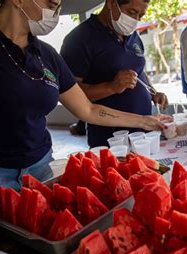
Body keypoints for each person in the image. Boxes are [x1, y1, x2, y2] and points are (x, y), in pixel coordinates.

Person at [0, 0, 171, 207]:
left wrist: (145, 121)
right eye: (50, 4)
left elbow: (87, 109)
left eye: (57, 7)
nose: (55, 12)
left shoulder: (46, 55)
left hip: (40, 168)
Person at [61, 0, 169, 147]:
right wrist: (111, 87)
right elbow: (71, 94)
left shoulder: (133, 36)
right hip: (110, 140)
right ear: (111, 3)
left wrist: (153, 92)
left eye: (140, 15)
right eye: (131, 12)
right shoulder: (79, 39)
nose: (135, 20)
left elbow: (139, 70)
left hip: (144, 132)